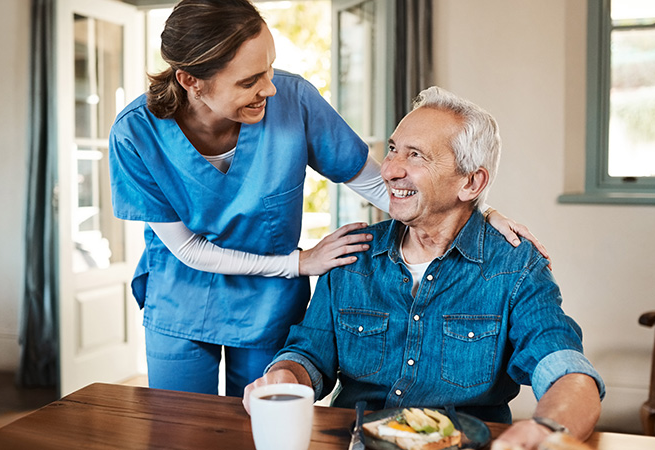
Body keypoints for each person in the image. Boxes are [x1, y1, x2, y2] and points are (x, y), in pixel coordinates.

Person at [108, 0, 546, 398]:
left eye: (270, 69)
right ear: (191, 81)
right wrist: (299, 263)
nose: (270, 89)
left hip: (268, 302)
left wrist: (476, 211)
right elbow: (187, 248)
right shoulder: (135, 133)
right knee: (179, 430)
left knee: (263, 422)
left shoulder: (294, 100)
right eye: (249, 80)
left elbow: (384, 184)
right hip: (182, 295)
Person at [242, 87, 604, 450]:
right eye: (393, 149)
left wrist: (547, 428)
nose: (388, 169)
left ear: (471, 182)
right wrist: (283, 377)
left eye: (415, 156)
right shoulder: (353, 255)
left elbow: (565, 370)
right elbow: (309, 354)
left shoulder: (515, 266)